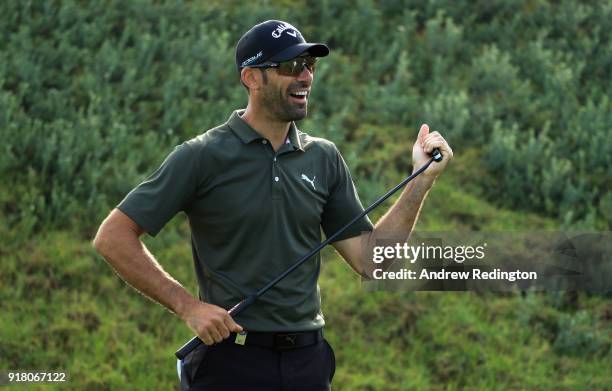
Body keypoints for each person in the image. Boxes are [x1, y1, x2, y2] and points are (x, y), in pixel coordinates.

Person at [93, 20, 452, 391]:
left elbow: (371, 261)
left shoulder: (324, 158)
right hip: (230, 362)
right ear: (251, 78)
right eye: (290, 67)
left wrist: (420, 182)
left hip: (306, 363)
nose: (305, 77)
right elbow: (113, 236)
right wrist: (188, 306)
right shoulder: (201, 156)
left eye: (309, 66)